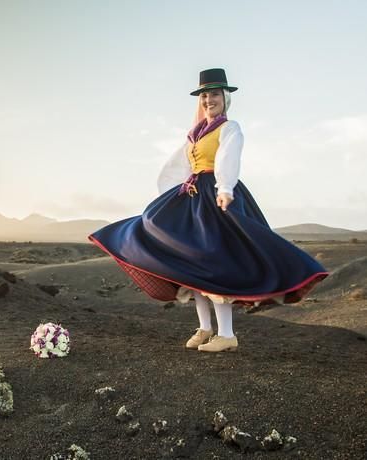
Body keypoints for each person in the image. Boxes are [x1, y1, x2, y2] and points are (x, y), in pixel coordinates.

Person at [89, 68, 328, 352]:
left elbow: (229, 156)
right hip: (193, 199)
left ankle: (226, 334)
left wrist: (225, 189)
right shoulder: (195, 134)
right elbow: (177, 167)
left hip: (215, 198)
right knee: (190, 264)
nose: (208, 100)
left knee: (214, 262)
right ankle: (205, 328)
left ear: (225, 97)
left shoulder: (229, 127)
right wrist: (170, 193)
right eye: (204, 95)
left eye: (214, 94)